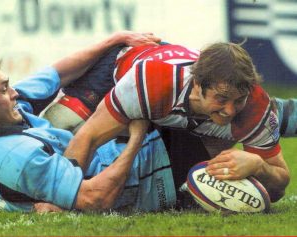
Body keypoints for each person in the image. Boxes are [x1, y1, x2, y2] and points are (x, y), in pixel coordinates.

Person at [43, 41, 290, 203]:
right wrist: (62, 200)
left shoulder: (254, 107)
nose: (230, 110)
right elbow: (89, 137)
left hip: (173, 113)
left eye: (239, 100)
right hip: (118, 69)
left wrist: (259, 166)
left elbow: (278, 187)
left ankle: (283, 114)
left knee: (175, 188)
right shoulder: (151, 84)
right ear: (198, 84)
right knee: (61, 125)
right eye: (222, 99)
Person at [0, 31, 178, 212]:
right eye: (4, 89)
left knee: (128, 52)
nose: (14, 92)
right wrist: (138, 133)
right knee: (175, 91)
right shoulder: (18, 157)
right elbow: (95, 198)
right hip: (148, 170)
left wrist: (117, 38)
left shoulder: (4, 114)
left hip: (90, 150)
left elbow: (58, 74)